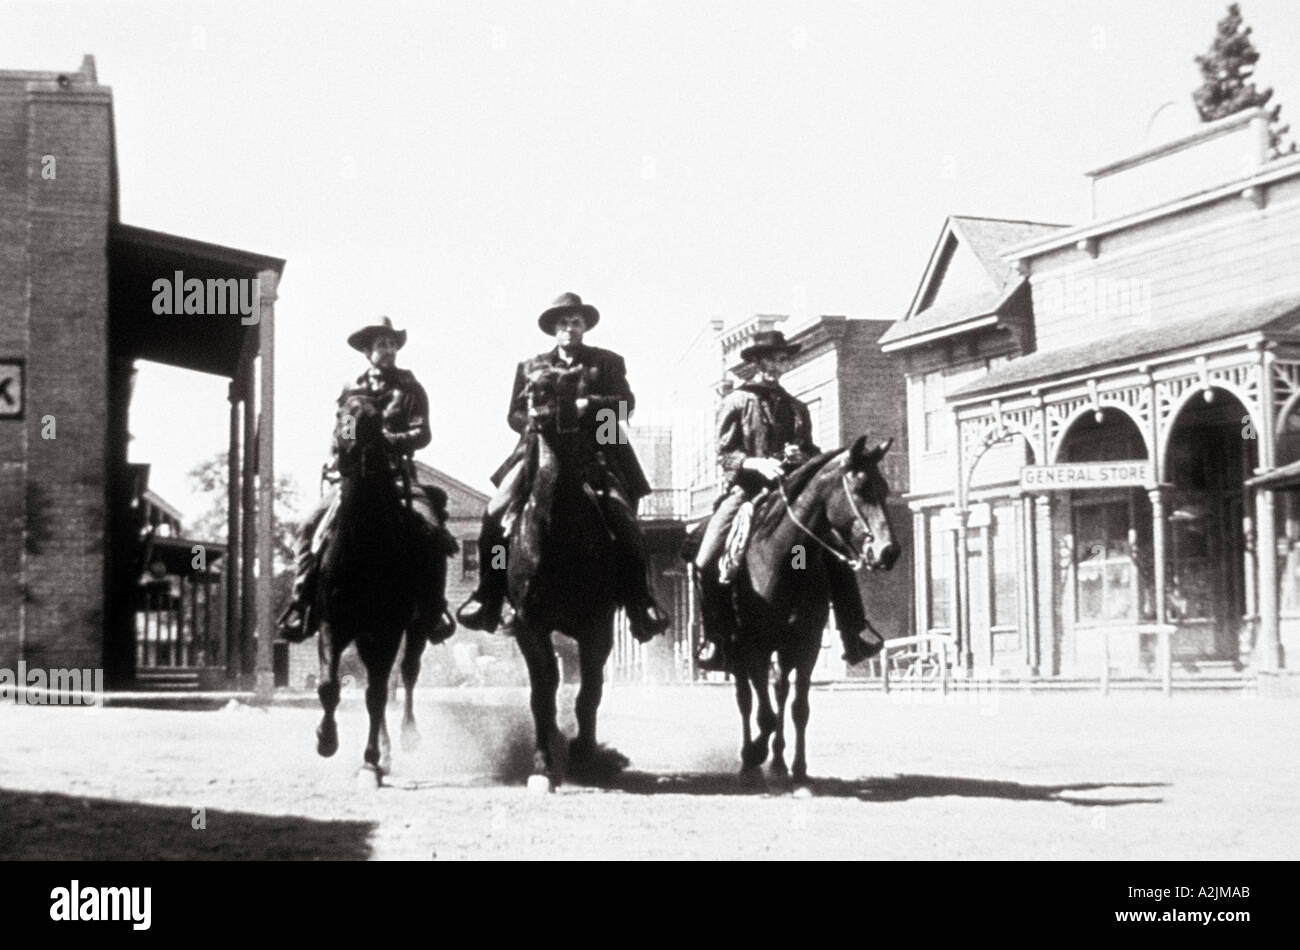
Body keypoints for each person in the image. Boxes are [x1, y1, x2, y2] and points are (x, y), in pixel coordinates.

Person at [456, 292, 672, 642]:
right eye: (563, 323)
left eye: (576, 322)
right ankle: (489, 593)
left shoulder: (607, 363)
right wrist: (534, 421)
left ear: (584, 327)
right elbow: (514, 414)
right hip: (540, 452)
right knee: (494, 516)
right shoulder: (531, 366)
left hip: (596, 452)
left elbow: (625, 406)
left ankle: (640, 601)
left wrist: (591, 404)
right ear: (553, 330)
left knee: (625, 523)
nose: (570, 328)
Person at [691, 329, 884, 672]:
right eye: (770, 360)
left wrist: (800, 455)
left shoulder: (796, 407)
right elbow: (725, 454)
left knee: (832, 557)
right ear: (756, 363)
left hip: (793, 497)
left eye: (781, 360)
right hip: (748, 493)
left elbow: (810, 454)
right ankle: (715, 638)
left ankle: (854, 631)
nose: (776, 367)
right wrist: (754, 462)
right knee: (706, 559)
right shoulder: (736, 401)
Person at [277, 316, 458, 644]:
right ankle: (302, 599)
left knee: (432, 530)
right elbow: (343, 430)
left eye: (392, 344)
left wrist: (388, 439)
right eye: (381, 344)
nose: (388, 350)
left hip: (397, 473)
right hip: (352, 475)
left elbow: (423, 432)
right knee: (307, 528)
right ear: (367, 350)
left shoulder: (410, 387)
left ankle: (434, 607)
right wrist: (344, 447)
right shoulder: (351, 390)